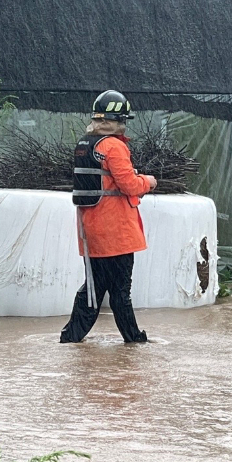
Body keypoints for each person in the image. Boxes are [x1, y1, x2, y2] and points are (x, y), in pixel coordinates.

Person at [60, 90, 157, 343]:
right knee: (119, 293)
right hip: (116, 233)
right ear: (119, 120)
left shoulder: (85, 144)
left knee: (93, 290)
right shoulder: (113, 146)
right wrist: (149, 181)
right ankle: (135, 342)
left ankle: (70, 340)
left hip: (91, 233)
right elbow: (130, 186)